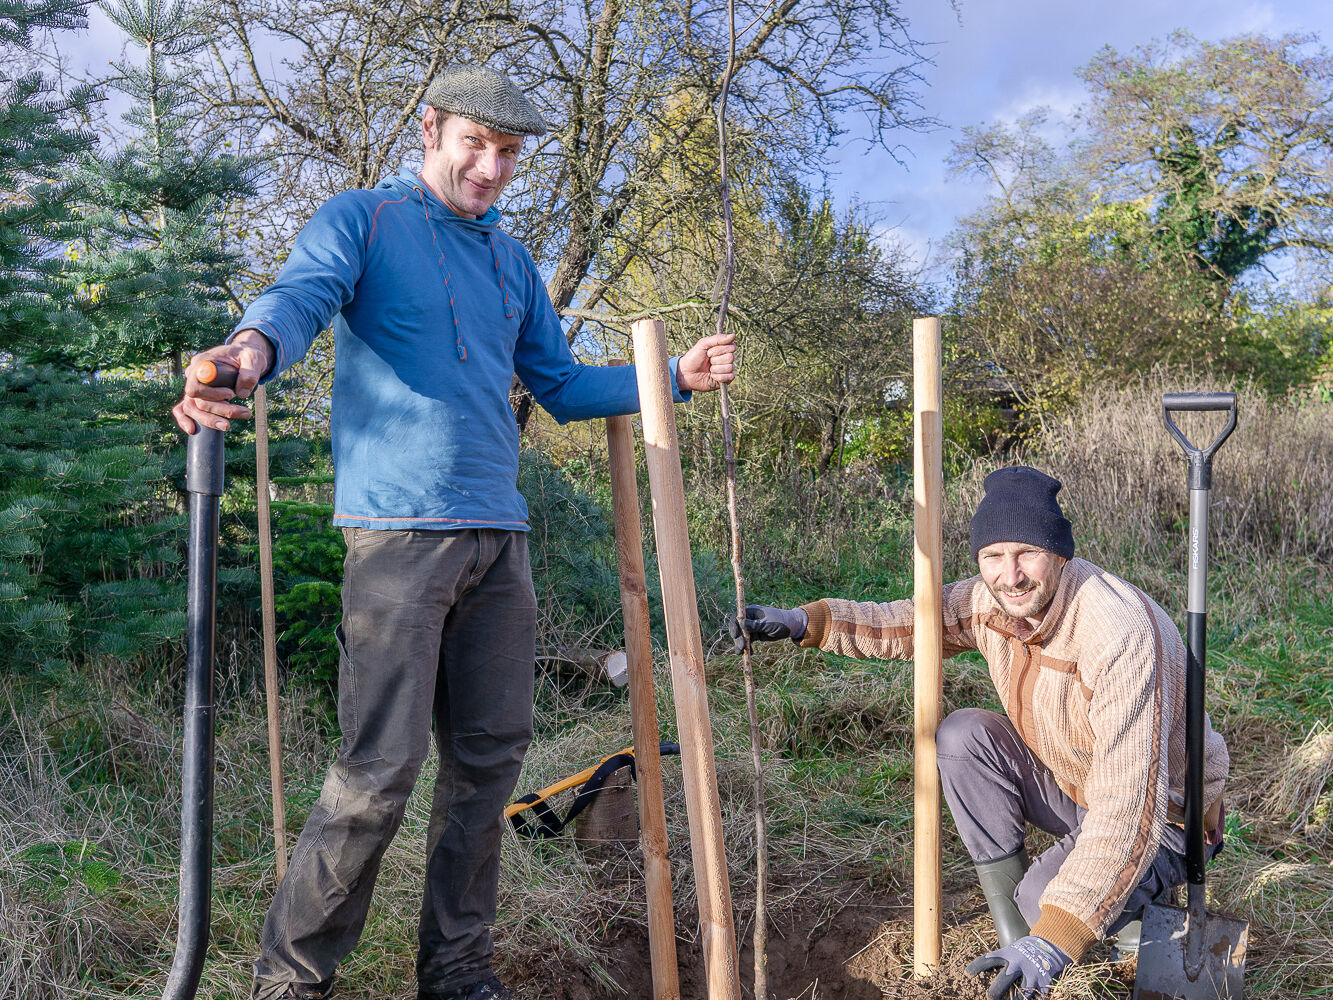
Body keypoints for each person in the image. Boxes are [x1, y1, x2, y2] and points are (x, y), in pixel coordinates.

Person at [172, 66, 736, 1000]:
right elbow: (301, 297)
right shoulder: (363, 220)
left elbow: (558, 387)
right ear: (429, 128)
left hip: (497, 543)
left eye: (509, 153)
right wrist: (246, 353)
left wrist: (669, 375)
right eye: (475, 143)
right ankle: (291, 981)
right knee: (376, 775)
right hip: (397, 540)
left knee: (486, 772)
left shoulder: (511, 265)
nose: (491, 166)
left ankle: (458, 973)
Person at [734, 466, 1229, 999]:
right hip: (1078, 785)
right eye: (992, 557)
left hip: (1166, 817)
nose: (1009, 576)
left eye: (1027, 554)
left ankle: (1117, 935)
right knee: (964, 735)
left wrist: (1058, 935)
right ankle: (1018, 946)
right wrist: (803, 622)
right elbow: (908, 624)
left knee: (1050, 903)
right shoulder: (989, 600)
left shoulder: (1117, 631)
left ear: (1060, 555)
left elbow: (1131, 809)